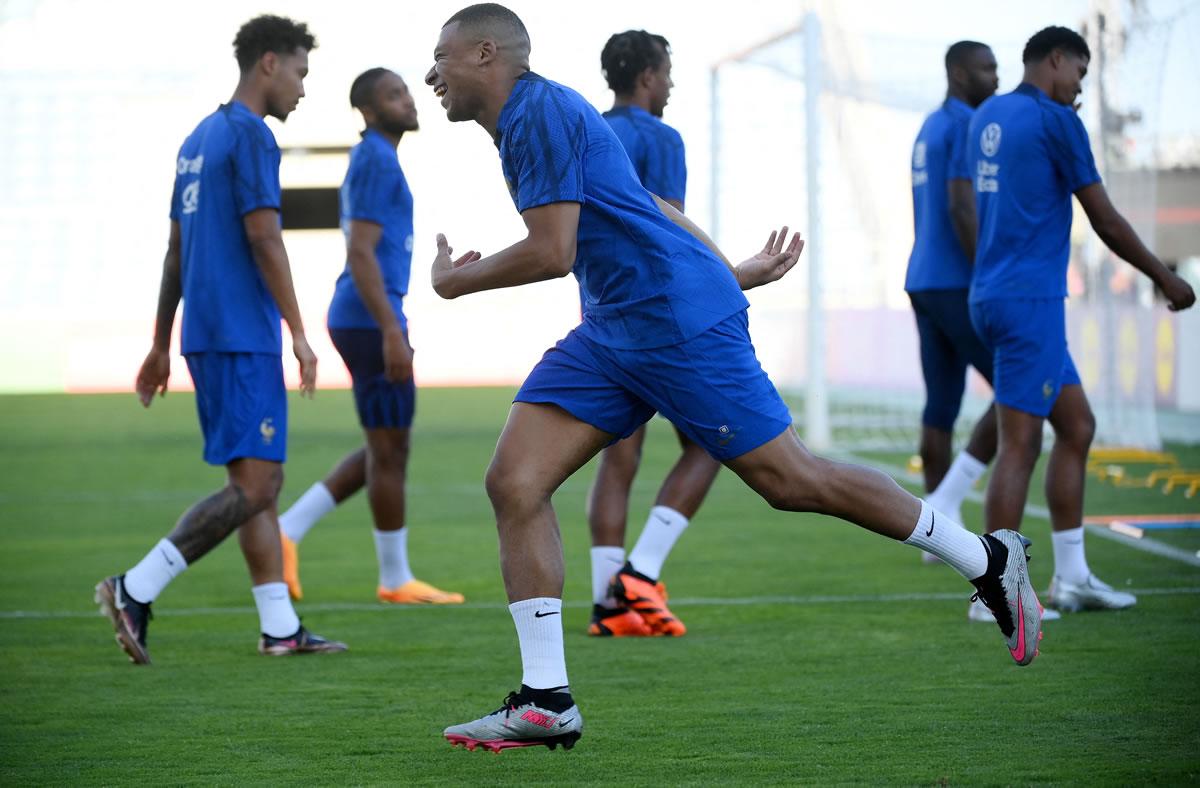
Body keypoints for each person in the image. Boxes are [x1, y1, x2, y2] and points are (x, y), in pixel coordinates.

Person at [426, 3, 1041, 753]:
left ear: (486, 54)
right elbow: (645, 203)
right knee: (515, 482)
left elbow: (553, 251)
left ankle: (989, 559)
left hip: (678, 324)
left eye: (442, 58)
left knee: (792, 482)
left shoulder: (538, 110)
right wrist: (733, 269)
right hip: (616, 329)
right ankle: (547, 699)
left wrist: (457, 284)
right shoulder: (531, 118)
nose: (433, 74)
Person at [94, 15, 346, 663]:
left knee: (258, 479)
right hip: (241, 334)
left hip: (205, 334)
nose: (301, 89)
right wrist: (299, 332)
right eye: (299, 74)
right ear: (268, 63)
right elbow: (265, 237)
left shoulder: (197, 139)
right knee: (258, 486)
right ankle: (135, 588)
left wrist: (159, 341)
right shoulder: (251, 137)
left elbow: (176, 249)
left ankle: (280, 628)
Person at [967, 26, 1195, 614]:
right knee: (1020, 445)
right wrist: (1163, 276)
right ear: (1057, 60)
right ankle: (996, 594)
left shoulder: (986, 117)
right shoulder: (1055, 121)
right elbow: (1106, 220)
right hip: (1030, 300)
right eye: (1080, 75)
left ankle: (1071, 578)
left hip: (993, 292)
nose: (1079, 89)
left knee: (1077, 426)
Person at [276, 68, 464, 606]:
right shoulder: (376, 159)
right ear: (369, 110)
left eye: (406, 92)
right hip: (368, 315)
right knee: (390, 451)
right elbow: (360, 253)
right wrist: (389, 329)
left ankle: (288, 530)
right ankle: (394, 577)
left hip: (367, 313)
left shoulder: (378, 158)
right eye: (394, 95)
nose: (409, 101)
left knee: (385, 445)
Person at [584, 29, 719, 638]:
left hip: (602, 312)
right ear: (646, 76)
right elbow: (667, 221)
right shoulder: (659, 136)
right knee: (714, 440)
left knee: (620, 458)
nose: (670, 84)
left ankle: (607, 605)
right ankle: (643, 570)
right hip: (665, 318)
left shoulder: (589, 129)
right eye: (667, 72)